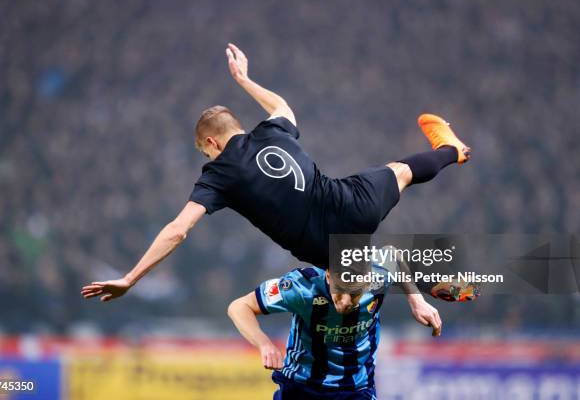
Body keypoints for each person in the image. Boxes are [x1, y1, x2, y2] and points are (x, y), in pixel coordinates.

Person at [81, 43, 471, 302]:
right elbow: (283, 105)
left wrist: (131, 277)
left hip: (322, 246)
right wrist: (244, 80)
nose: (207, 157)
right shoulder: (273, 129)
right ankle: (452, 150)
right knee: (401, 171)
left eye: (204, 150)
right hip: (351, 204)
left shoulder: (217, 175)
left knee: (349, 293)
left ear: (212, 144)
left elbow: (178, 230)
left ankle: (423, 284)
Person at [227, 251, 442, 400]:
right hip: (302, 386)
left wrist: (416, 300)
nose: (345, 303)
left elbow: (393, 256)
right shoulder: (301, 286)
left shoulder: (378, 274)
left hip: (356, 388)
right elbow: (239, 306)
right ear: (328, 275)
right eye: (341, 292)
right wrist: (264, 343)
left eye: (354, 293)